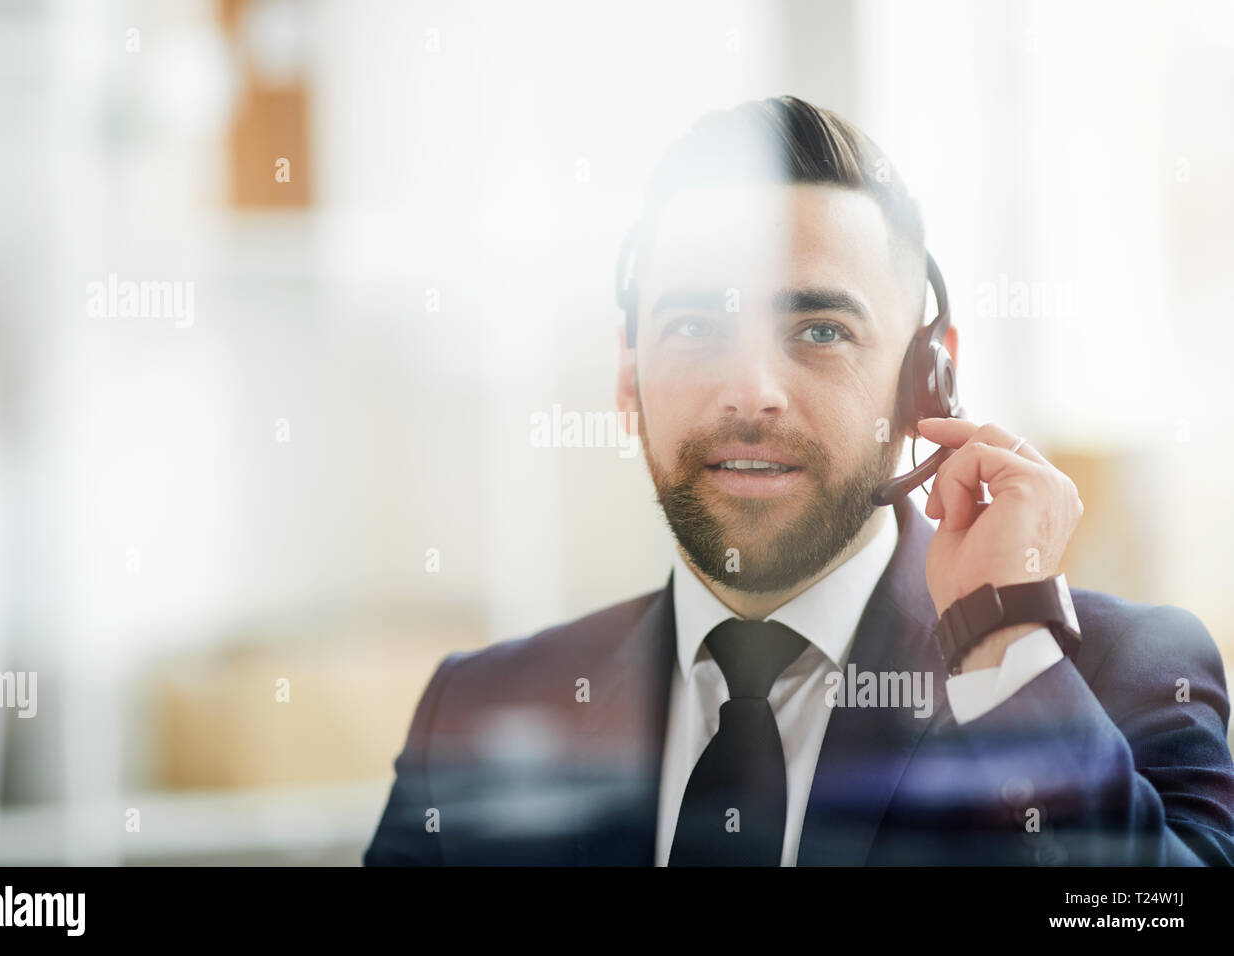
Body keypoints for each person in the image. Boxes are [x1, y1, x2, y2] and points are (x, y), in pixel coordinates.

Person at [363, 96, 1234, 866]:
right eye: (697, 323)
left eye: (819, 330)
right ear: (628, 381)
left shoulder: (1118, 678)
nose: (751, 392)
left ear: (926, 381)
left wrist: (999, 651)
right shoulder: (475, 713)